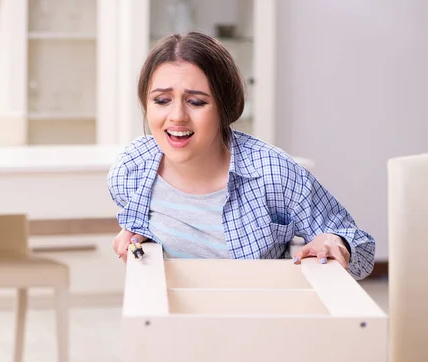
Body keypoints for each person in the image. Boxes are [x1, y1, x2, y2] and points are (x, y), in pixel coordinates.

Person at [107, 31, 375, 280]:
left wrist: (336, 242)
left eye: (197, 102)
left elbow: (362, 250)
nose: (177, 116)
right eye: (162, 100)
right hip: (169, 321)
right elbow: (140, 224)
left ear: (224, 106)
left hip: (256, 320)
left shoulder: (273, 172)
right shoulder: (132, 169)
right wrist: (139, 233)